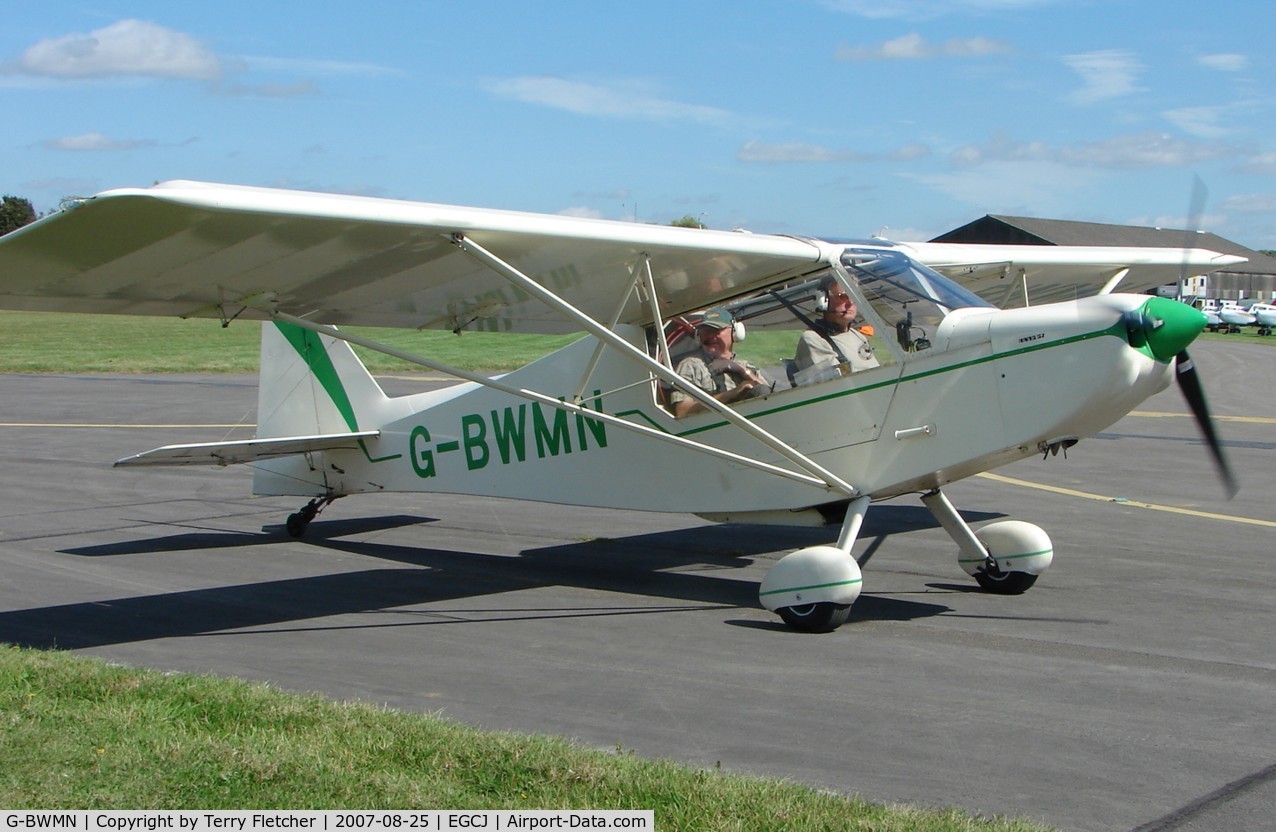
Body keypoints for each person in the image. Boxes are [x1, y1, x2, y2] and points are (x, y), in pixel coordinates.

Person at [669, 307, 771, 418]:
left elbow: (770, 397)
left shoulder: (747, 366)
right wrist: (733, 393)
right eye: (705, 331)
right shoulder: (691, 365)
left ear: (735, 333)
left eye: (716, 330)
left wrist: (741, 370)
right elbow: (682, 411)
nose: (710, 336)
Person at [792, 277, 879, 383]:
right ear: (823, 300)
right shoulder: (813, 339)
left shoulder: (857, 336)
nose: (850, 302)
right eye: (842, 297)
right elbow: (839, 385)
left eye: (854, 296)